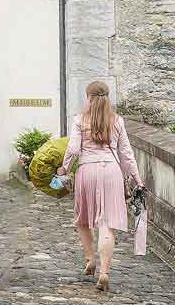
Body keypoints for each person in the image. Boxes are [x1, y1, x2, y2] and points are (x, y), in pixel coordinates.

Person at [55, 80, 144, 292]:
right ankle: (104, 273)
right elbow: (127, 155)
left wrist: (64, 169)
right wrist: (138, 179)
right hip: (112, 172)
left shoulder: (80, 120)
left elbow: (74, 149)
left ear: (88, 97)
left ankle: (90, 259)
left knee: (83, 218)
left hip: (87, 170)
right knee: (107, 223)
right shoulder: (117, 121)